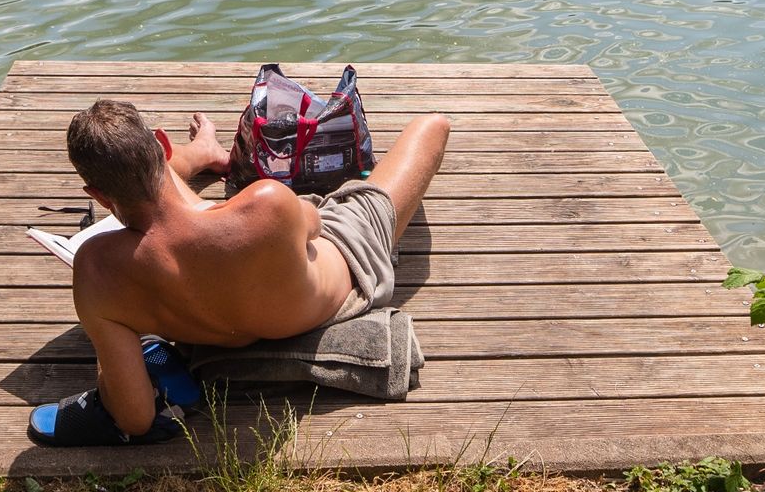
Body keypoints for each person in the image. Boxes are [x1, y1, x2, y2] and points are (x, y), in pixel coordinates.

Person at [28, 100, 450, 445]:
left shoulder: (96, 270)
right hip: (342, 275)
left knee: (166, 200)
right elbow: (316, 222)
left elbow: (135, 418)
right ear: (162, 143)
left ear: (96, 194)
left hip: (214, 325)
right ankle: (201, 156)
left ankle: (206, 154)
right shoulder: (264, 203)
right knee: (431, 126)